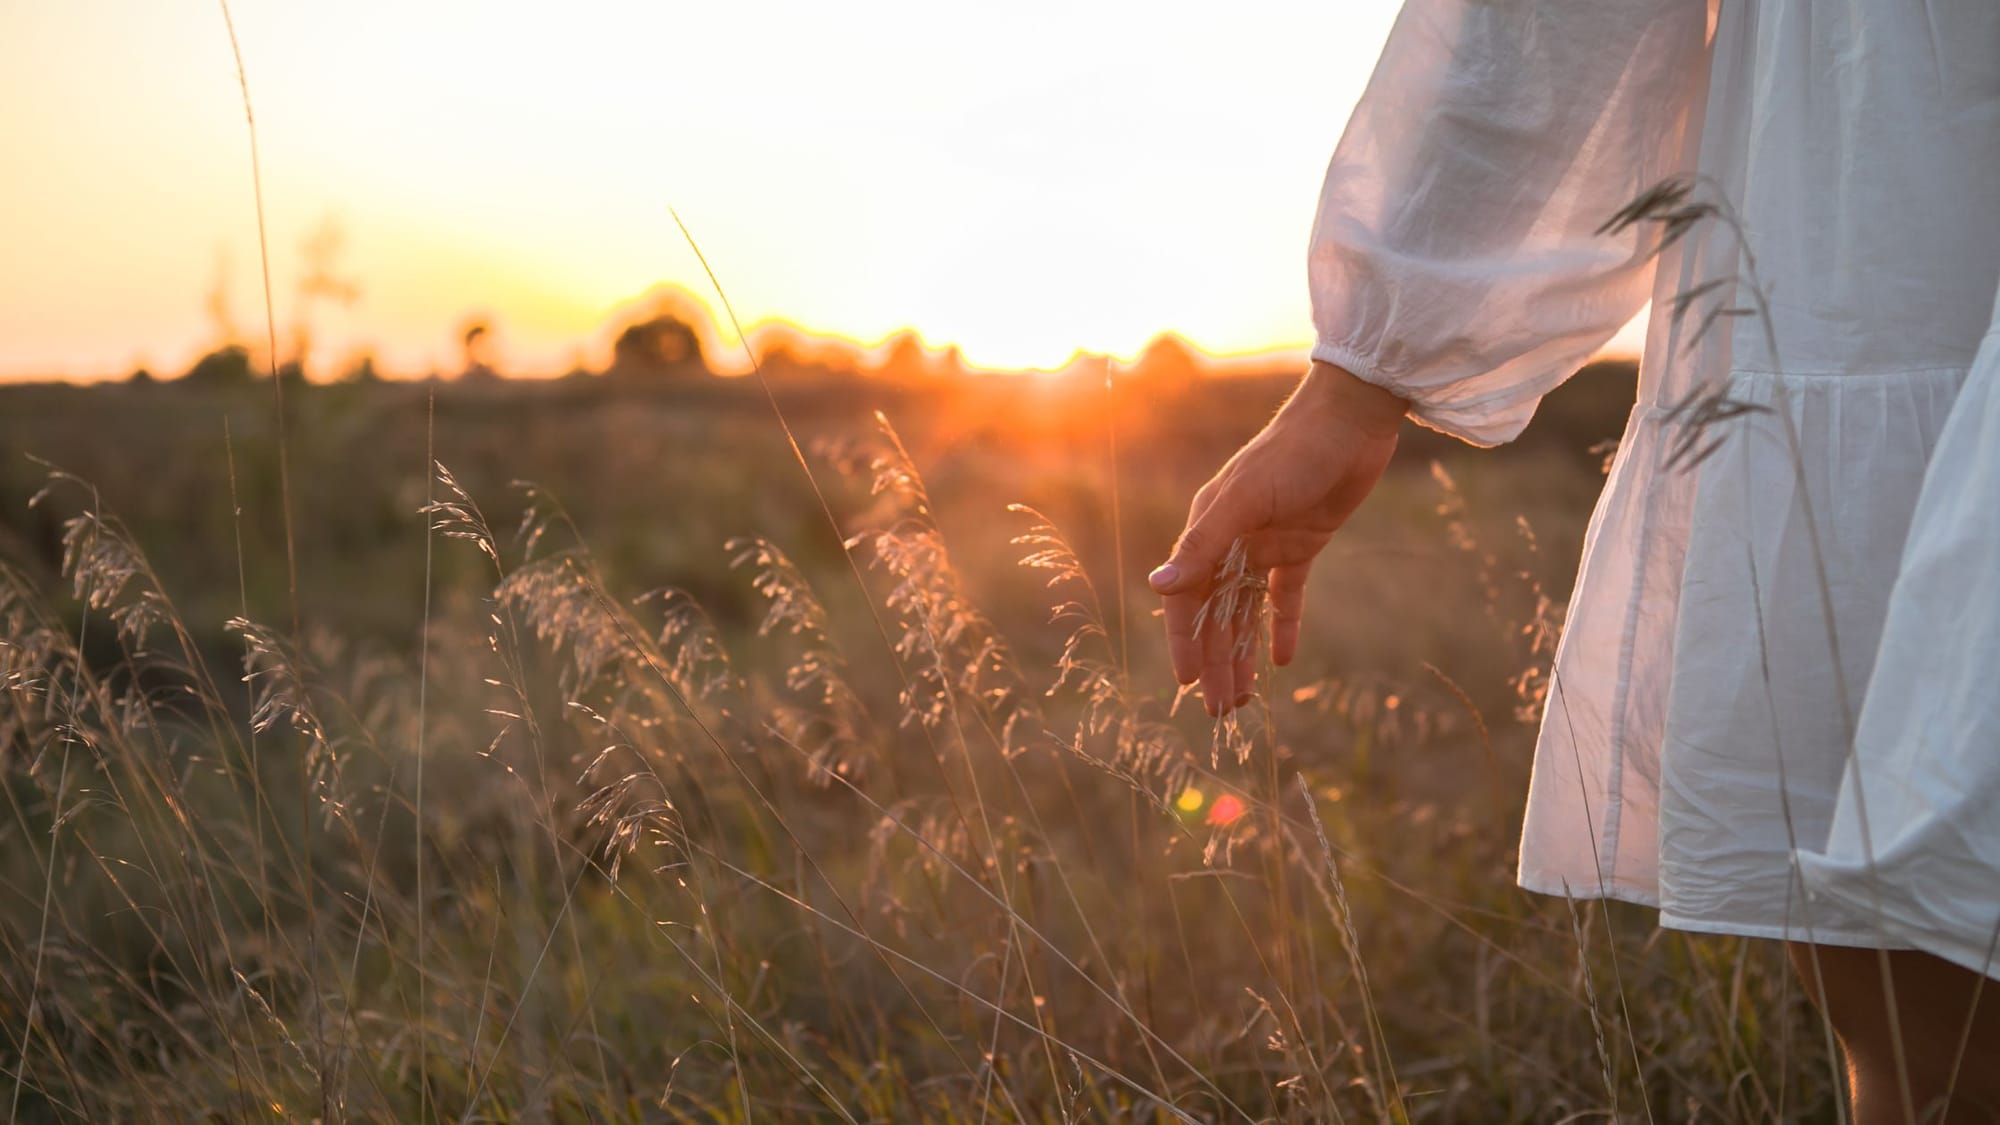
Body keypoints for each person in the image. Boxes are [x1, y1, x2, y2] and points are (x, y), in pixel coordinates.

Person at [1148, 1, 2000, 1119]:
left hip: (1885, 207)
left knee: (1923, 998)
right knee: (1909, 989)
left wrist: (1366, 370)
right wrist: (1358, 377)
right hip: (1892, 198)